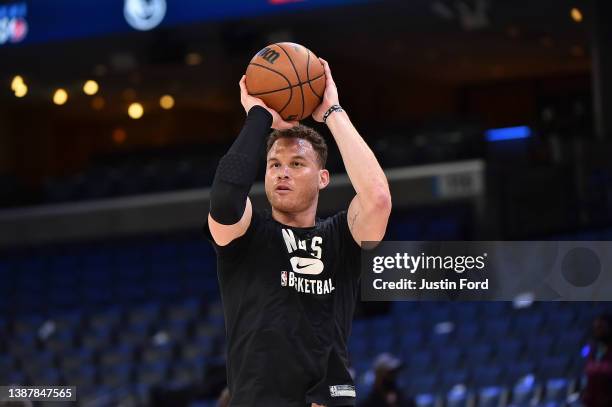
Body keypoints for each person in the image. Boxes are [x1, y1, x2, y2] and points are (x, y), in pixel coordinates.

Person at [204, 58, 392, 407]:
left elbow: (378, 199)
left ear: (323, 178)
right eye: (274, 164)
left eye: (297, 164)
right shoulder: (249, 235)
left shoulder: (340, 237)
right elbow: (226, 199)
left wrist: (333, 111)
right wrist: (258, 115)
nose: (282, 173)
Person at [582, 313, 612, 407]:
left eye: (600, 327)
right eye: (596, 327)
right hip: (593, 400)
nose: (597, 330)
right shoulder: (592, 349)